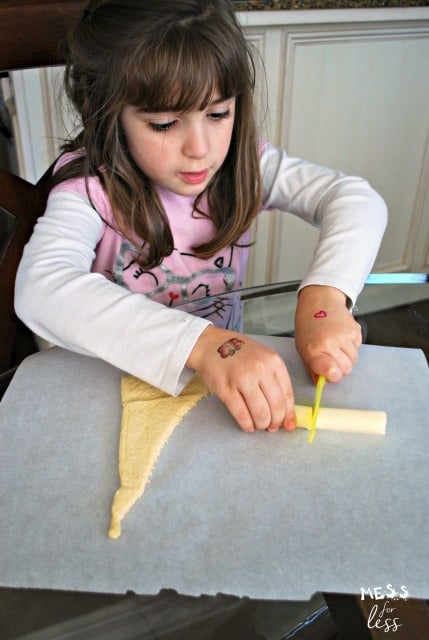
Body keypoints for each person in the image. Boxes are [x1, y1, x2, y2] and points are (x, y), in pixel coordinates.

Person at [15, 0, 387, 435]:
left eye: (217, 114)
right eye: (164, 123)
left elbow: (354, 198)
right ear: (109, 114)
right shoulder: (89, 192)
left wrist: (324, 297)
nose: (200, 148)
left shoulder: (242, 166)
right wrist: (209, 345)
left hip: (219, 396)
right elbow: (41, 288)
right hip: (111, 396)